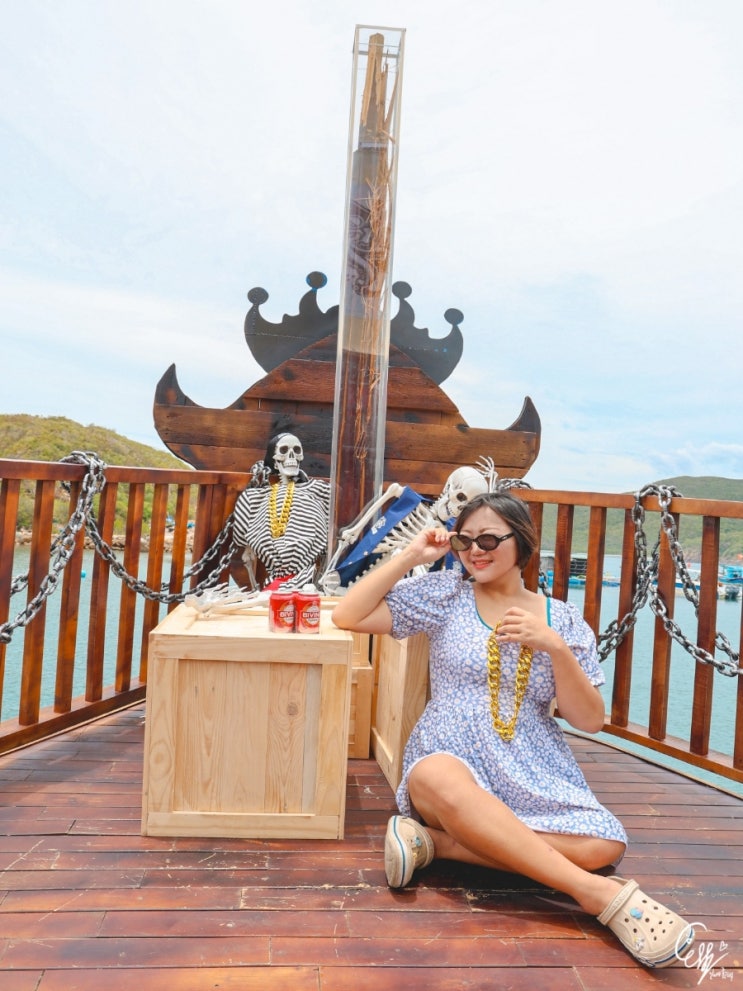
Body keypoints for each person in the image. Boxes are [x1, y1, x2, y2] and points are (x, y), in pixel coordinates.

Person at [332, 491, 694, 969]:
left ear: (521, 542)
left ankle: (437, 844)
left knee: (605, 844)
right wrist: (411, 557)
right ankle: (595, 895)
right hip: (451, 752)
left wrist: (555, 648)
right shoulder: (446, 595)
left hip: (531, 762)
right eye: (464, 541)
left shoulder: (561, 619)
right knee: (436, 780)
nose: (474, 551)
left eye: (487, 539)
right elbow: (347, 615)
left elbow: (589, 720)